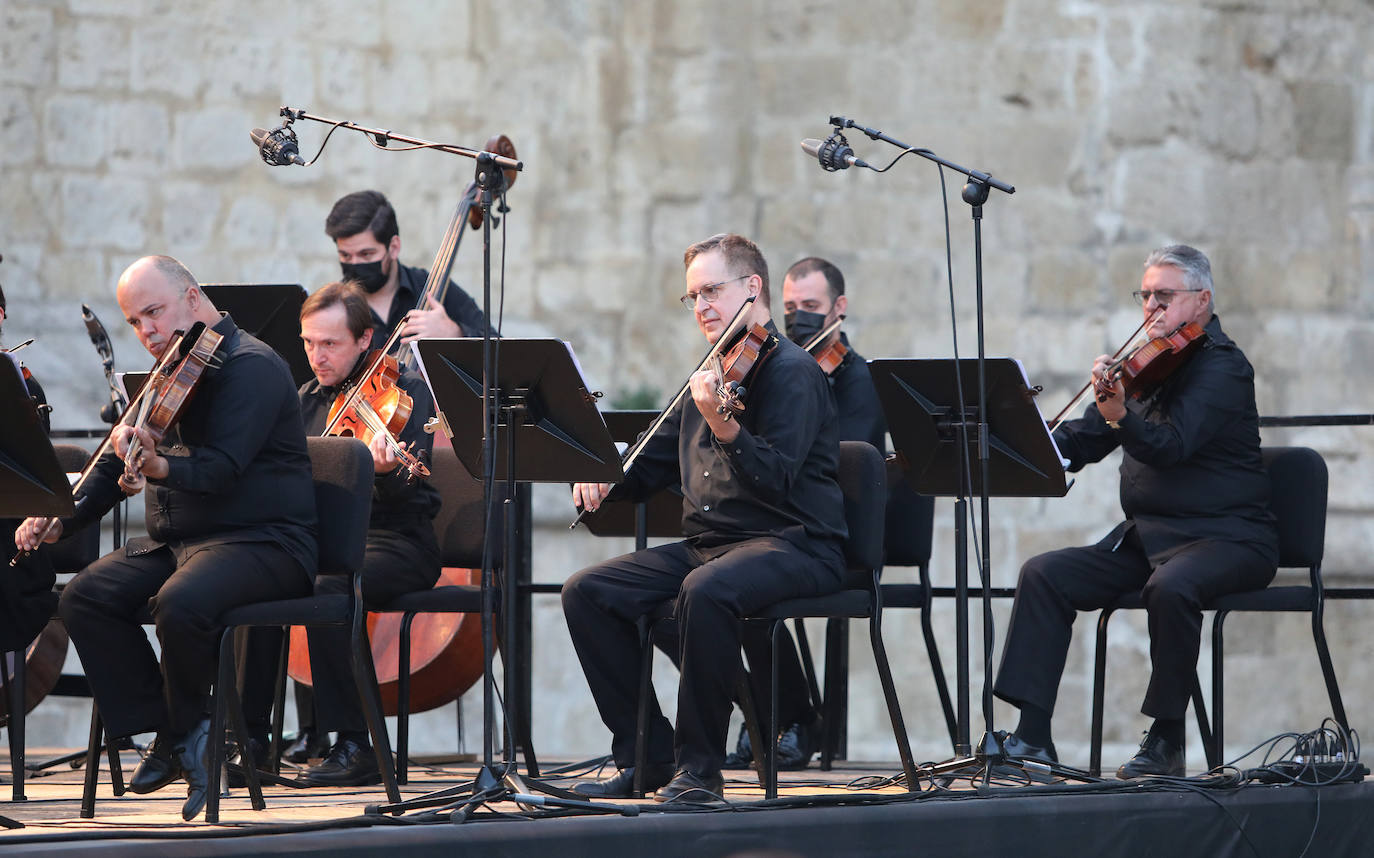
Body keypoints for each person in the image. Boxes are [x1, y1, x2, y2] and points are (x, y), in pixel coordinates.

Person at [14, 255, 317, 821]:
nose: (146, 331)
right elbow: (111, 465)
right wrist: (62, 515)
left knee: (181, 602)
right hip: (185, 544)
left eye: (153, 312)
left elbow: (222, 470)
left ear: (193, 298)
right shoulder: (171, 369)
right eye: (133, 321)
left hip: (264, 542)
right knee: (85, 595)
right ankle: (179, 733)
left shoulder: (251, 366)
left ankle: (184, 734)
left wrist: (160, 470)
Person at [562, 233, 848, 803]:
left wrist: (725, 425)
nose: (702, 307)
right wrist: (604, 476)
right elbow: (651, 465)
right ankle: (647, 757)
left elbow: (777, 479)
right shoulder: (712, 370)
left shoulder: (793, 371)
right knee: (586, 591)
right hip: (715, 545)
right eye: (692, 297)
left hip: (795, 543)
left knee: (707, 590)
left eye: (712, 290)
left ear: (753, 287)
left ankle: (699, 773)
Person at [992, 245, 1278, 778]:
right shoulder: (1147, 365)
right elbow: (1086, 438)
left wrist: (1122, 415)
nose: (1151, 306)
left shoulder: (1224, 366)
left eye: (1164, 296)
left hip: (1229, 538)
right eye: (1145, 295)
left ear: (1202, 300)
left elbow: (1171, 445)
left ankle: (1167, 739)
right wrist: (1029, 440)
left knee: (1170, 588)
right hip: (1150, 538)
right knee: (1044, 573)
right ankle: (1033, 738)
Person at [239, 281, 442, 786]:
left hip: (395, 541)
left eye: (329, 344)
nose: (316, 356)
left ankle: (356, 744)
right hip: (321, 542)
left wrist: (388, 474)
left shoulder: (408, 397)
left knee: (331, 585)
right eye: (308, 343)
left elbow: (418, 500)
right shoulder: (301, 401)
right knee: (252, 578)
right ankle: (250, 742)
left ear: (365, 340)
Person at [720, 256, 890, 772]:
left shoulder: (857, 378)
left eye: (811, 307)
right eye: (790, 307)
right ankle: (771, 714)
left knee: (740, 590)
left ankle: (789, 717)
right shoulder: (772, 365)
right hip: (775, 521)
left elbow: (837, 457)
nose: (799, 319)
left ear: (839, 308)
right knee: (726, 588)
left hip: (834, 533)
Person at [325, 189, 494, 352]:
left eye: (366, 254)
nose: (355, 264)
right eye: (345, 256)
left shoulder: (431, 288)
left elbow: (498, 349)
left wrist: (455, 334)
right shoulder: (332, 307)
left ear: (394, 247)